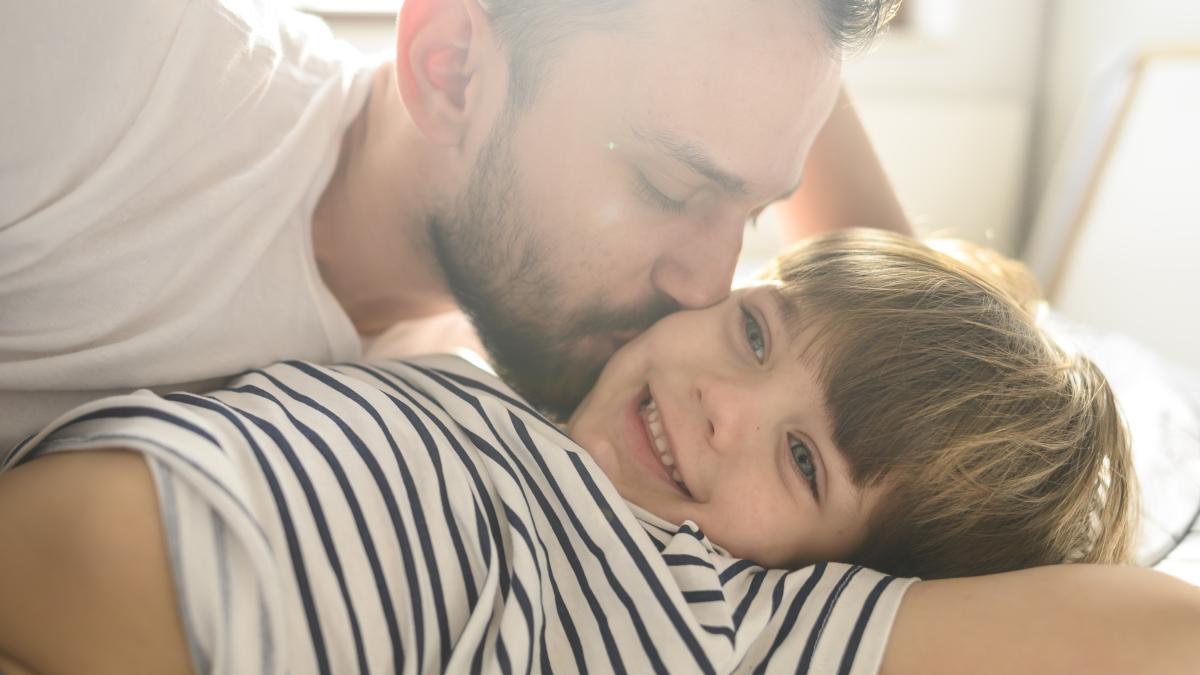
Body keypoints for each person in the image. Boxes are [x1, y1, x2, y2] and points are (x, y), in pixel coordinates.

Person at [3, 231, 1196, 675]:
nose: (726, 403)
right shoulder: (532, 375)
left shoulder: (739, 623)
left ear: (853, 580)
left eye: (803, 464)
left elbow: (1157, 635)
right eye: (751, 329)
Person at [0, 0, 910, 451]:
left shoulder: (530, 407)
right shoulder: (108, 61)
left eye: (754, 214)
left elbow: (934, 384)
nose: (706, 286)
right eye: (668, 188)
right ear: (450, 72)